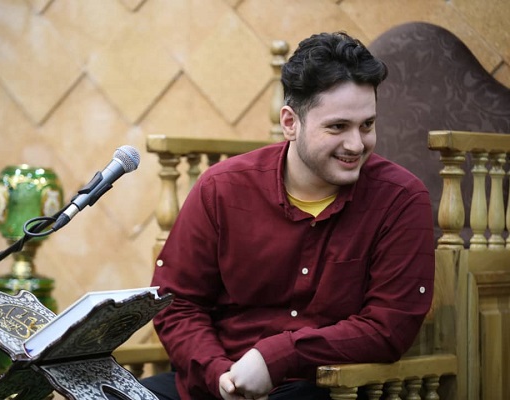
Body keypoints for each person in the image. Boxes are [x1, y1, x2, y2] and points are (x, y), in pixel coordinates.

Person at [140, 31, 435, 400]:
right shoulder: (221, 188)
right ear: (290, 122)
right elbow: (177, 303)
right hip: (215, 383)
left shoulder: (401, 199)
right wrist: (218, 376)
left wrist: (278, 356)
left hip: (324, 389)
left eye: (367, 125)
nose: (357, 144)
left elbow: (388, 327)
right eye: (338, 127)